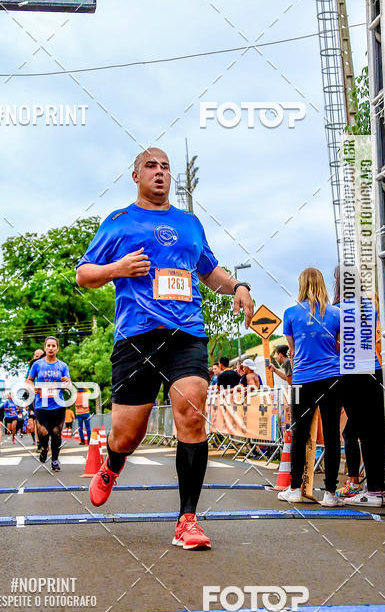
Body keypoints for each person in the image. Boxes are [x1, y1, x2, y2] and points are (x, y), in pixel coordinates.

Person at [76, 146, 254, 550]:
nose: (160, 172)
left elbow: (209, 272)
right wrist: (115, 269)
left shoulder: (189, 224)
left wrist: (239, 287)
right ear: (136, 175)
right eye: (151, 166)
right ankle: (113, 463)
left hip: (186, 333)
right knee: (127, 435)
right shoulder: (119, 222)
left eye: (166, 167)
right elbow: (83, 274)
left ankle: (187, 520)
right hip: (136, 338)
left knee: (192, 410)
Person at [278, 268, 343, 508]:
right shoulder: (335, 314)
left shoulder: (290, 313)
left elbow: (292, 350)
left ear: (302, 284)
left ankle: (295, 488)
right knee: (332, 434)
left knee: (299, 432)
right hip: (332, 378)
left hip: (301, 380)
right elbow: (337, 346)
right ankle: (330, 493)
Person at [332, 267, 385, 506]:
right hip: (374, 371)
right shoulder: (370, 307)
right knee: (375, 430)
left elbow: (335, 345)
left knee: (361, 431)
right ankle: (381, 486)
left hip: (351, 373)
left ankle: (374, 490)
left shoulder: (336, 311)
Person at [27, 336, 71, 469]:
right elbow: (29, 379)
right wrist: (32, 387)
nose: (51, 348)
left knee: (57, 434)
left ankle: (55, 460)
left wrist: (66, 382)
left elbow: (68, 383)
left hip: (58, 405)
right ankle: (45, 449)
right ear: (45, 348)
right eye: (48, 346)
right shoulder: (37, 364)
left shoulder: (62, 365)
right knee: (44, 433)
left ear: (57, 348)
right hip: (41, 405)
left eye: (53, 346)